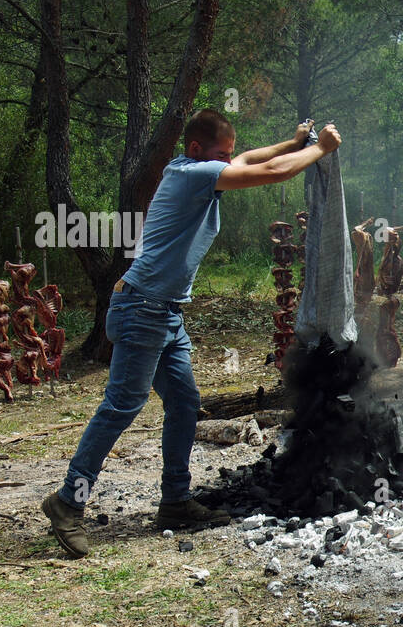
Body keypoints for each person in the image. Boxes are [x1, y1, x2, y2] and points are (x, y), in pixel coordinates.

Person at [41, 110, 342, 558]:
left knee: (184, 404)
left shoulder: (195, 170)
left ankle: (176, 501)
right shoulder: (195, 174)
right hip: (142, 307)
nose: (228, 162)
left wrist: (292, 141)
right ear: (198, 150)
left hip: (164, 313)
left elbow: (249, 158)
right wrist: (319, 150)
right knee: (121, 406)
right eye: (220, 154)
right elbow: (267, 172)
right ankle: (68, 502)